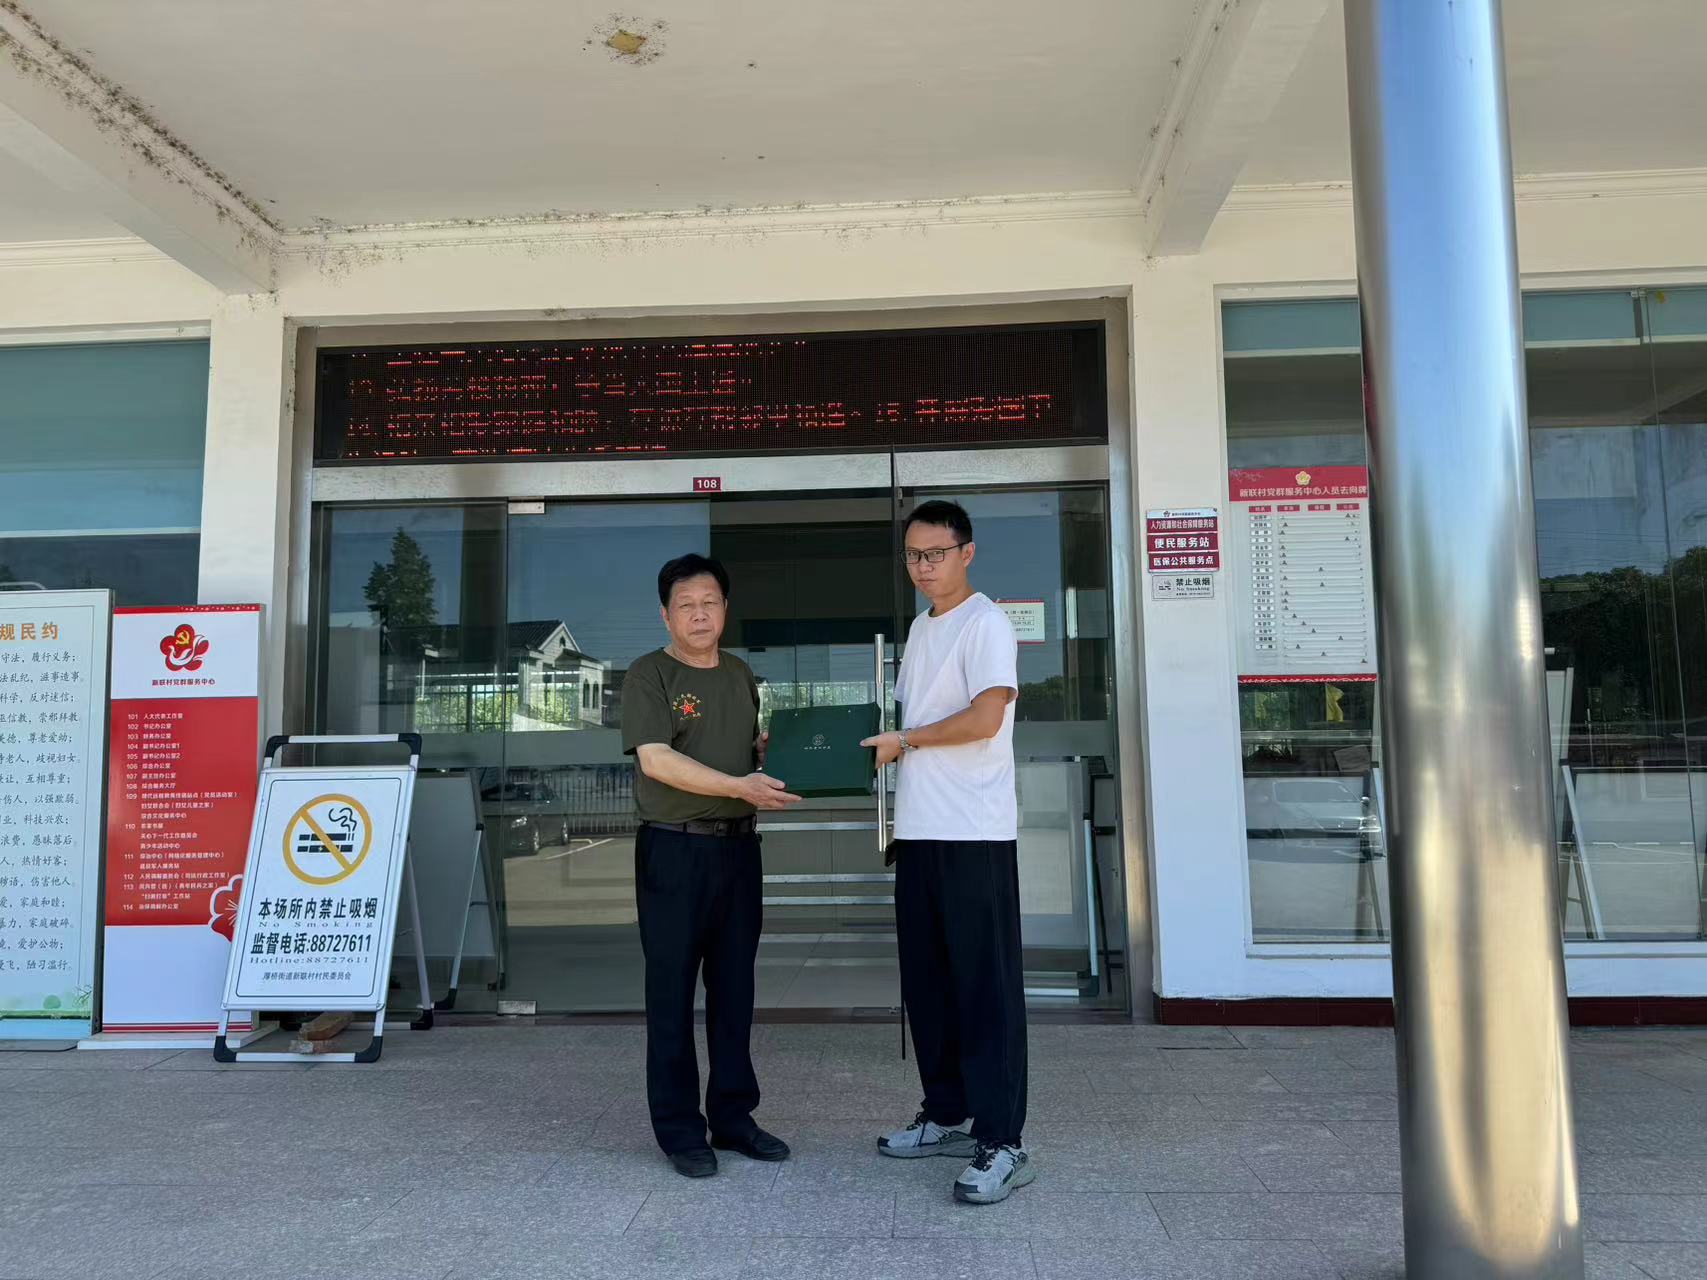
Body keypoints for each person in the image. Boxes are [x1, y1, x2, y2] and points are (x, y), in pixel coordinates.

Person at [862, 500, 1031, 1205]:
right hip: (921, 831)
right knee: (929, 985)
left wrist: (906, 741)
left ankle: (1003, 1140)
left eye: (936, 553)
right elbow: (911, 719)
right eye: (913, 555)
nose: (924, 566)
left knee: (985, 991)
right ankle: (946, 1112)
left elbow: (985, 718)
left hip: (975, 834)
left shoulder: (985, 623)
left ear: (967, 552)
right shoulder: (921, 627)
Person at [621, 553, 801, 1178]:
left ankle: (733, 1117)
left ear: (725, 608)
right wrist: (738, 785)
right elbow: (656, 760)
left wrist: (771, 756)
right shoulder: (649, 673)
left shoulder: (740, 672)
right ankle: (679, 1130)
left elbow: (743, 750)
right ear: (666, 614)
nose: (699, 615)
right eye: (686, 605)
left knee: (734, 989)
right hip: (674, 850)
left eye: (709, 603)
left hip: (738, 849)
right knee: (671, 992)